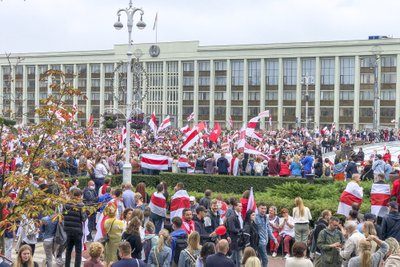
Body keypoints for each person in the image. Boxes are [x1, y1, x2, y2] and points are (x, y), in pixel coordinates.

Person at [64, 188, 87, 267]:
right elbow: (83, 219)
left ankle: (67, 265)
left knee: (68, 250)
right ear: (79, 196)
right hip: (77, 230)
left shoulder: (66, 204)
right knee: (78, 251)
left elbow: (63, 215)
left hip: (68, 230)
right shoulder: (81, 205)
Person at [255, 203, 278, 267]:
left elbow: (268, 230)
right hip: (259, 241)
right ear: (258, 209)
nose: (264, 210)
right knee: (265, 259)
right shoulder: (255, 217)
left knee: (258, 258)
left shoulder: (266, 217)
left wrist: (274, 239)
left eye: (265, 208)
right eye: (262, 208)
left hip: (265, 241)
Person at [227, 201, 243, 267]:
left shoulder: (241, 215)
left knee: (233, 257)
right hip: (235, 239)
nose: (241, 208)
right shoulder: (232, 216)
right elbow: (232, 228)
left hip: (240, 238)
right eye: (239, 206)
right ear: (235, 207)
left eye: (241, 206)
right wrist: (241, 231)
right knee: (238, 258)